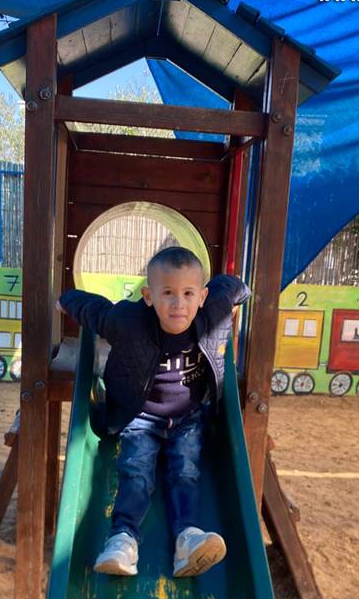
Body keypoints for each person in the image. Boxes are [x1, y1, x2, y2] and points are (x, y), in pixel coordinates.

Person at [56, 246, 251, 578]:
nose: (179, 304)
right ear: (148, 296)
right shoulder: (129, 322)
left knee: (186, 470)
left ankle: (187, 538)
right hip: (140, 417)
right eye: (168, 293)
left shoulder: (212, 311)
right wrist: (66, 300)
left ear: (202, 297)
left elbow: (231, 286)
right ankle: (123, 539)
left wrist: (242, 296)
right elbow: (96, 311)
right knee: (136, 469)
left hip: (188, 418)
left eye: (188, 293)